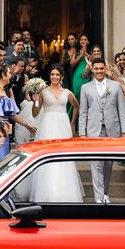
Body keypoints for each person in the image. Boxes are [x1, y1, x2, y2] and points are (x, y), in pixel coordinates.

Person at [78, 57, 125, 204]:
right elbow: (83, 112)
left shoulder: (115, 86)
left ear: (105, 69)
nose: (99, 71)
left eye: (101, 68)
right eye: (96, 69)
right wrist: (82, 134)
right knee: (96, 164)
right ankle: (99, 198)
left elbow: (122, 111)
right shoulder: (85, 88)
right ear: (92, 70)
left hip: (112, 130)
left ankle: (105, 193)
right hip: (94, 131)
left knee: (108, 164)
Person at [30, 65, 83, 202]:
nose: (54, 77)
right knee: (46, 155)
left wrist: (72, 123)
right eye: (52, 74)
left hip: (63, 126)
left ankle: (65, 192)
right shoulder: (43, 92)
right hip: (47, 126)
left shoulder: (67, 92)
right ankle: (47, 192)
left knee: (63, 157)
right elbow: (35, 113)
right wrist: (35, 99)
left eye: (57, 75)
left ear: (62, 77)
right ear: (49, 76)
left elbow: (76, 106)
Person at [71, 36, 93, 102]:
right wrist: (81, 54)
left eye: (85, 40)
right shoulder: (76, 50)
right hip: (78, 75)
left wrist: (86, 53)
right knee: (78, 93)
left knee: (86, 94)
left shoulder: (91, 50)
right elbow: (72, 63)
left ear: (88, 42)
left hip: (87, 74)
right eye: (81, 40)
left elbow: (93, 60)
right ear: (79, 41)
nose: (83, 41)